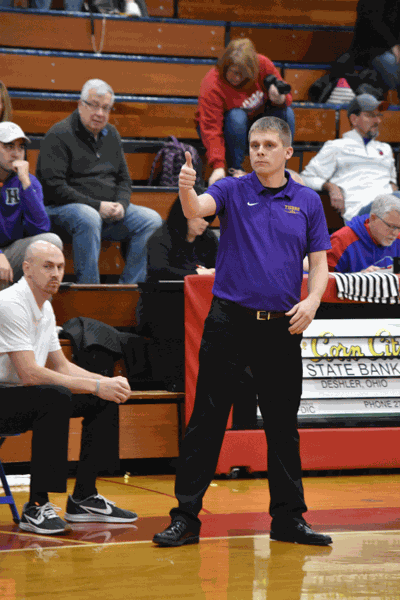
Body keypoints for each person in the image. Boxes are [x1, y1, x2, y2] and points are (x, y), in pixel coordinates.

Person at [153, 116, 333, 548]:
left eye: (269, 145)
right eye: (254, 145)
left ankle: (289, 519)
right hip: (228, 322)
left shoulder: (308, 201)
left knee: (282, 426)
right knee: (206, 421)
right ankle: (185, 519)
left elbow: (320, 264)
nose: (259, 152)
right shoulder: (233, 190)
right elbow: (196, 209)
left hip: (281, 327)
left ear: (288, 152)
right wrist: (186, 188)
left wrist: (312, 301)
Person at [0, 239, 138, 535]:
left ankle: (84, 496)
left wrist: (104, 384)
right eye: (48, 266)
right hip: (5, 396)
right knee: (55, 396)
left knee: (103, 398)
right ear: (27, 269)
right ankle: (37, 506)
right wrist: (96, 384)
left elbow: (61, 366)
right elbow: (30, 374)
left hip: (21, 396)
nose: (56, 274)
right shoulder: (10, 304)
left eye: (60, 267)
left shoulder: (45, 308)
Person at [36, 78, 162, 284]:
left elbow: (124, 180)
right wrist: (97, 206)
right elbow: (54, 188)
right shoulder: (58, 135)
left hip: (104, 212)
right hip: (63, 212)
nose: (100, 113)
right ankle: (90, 289)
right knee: (89, 216)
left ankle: (130, 289)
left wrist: (121, 204)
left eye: (105, 108)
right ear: (80, 105)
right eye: (94, 105)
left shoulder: (112, 134)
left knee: (151, 220)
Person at [137, 194, 218, 390]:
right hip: (163, 308)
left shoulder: (208, 239)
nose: (205, 223)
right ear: (185, 214)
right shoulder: (161, 238)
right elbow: (158, 270)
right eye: (201, 217)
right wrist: (196, 273)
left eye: (208, 219)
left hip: (200, 307)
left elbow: (221, 268)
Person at [196, 38, 294, 186]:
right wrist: (218, 166)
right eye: (234, 72)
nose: (237, 78)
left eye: (243, 74)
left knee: (287, 113)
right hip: (230, 130)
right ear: (225, 66)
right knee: (237, 116)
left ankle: (279, 168)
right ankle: (236, 169)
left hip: (256, 122)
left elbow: (287, 96)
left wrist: (280, 99)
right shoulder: (212, 83)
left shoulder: (263, 64)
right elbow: (210, 128)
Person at [301, 93, 397, 223]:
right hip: (362, 214)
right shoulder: (336, 147)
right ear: (354, 119)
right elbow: (306, 177)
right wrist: (331, 187)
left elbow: (392, 184)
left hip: (391, 213)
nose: (377, 121)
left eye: (378, 115)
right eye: (370, 115)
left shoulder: (385, 149)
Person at [0, 122, 62, 290]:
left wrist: (26, 183)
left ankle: (39, 305)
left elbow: (41, 228)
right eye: (8, 146)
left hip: (11, 251)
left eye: (21, 147)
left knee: (51, 242)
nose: (16, 153)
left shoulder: (28, 182)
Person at [327, 193, 400, 272]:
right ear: (373, 218)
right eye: (391, 226)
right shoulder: (341, 241)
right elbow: (322, 276)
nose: (395, 233)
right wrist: (358, 277)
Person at [349, 0, 400, 97]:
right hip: (371, 50)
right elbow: (372, 22)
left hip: (388, 50)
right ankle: (390, 96)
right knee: (389, 61)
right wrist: (393, 45)